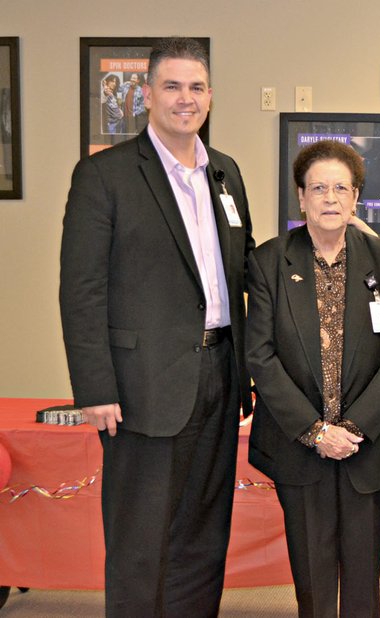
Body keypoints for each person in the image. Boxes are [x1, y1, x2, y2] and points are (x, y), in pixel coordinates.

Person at [60, 37, 254, 616]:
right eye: (172, 86)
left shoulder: (226, 174)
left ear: (211, 96)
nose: (185, 99)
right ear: (146, 95)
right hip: (142, 386)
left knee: (202, 536)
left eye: (196, 87)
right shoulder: (105, 175)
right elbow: (82, 290)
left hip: (220, 375)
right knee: (140, 542)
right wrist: (95, 389)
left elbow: (242, 271)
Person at [246, 140, 380, 617]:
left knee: (363, 581)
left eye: (341, 187)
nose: (330, 198)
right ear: (300, 198)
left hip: (367, 445)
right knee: (314, 581)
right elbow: (260, 354)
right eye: (318, 187)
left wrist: (354, 428)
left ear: (356, 197)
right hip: (299, 446)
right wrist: (317, 431)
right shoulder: (269, 262)